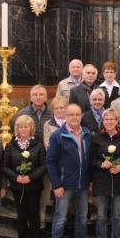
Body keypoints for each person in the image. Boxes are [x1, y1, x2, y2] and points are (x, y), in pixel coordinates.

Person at [46, 104, 94, 238]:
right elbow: (51, 162)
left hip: (82, 185)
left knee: (82, 218)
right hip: (64, 185)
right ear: (65, 116)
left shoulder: (87, 134)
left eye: (77, 114)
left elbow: (88, 160)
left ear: (81, 116)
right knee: (60, 218)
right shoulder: (58, 135)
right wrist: (56, 184)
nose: (75, 117)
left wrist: (89, 182)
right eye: (71, 114)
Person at [90, 109, 120, 238]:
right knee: (101, 216)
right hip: (101, 182)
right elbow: (91, 160)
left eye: (112, 119)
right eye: (106, 119)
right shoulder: (96, 138)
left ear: (117, 120)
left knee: (116, 216)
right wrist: (102, 164)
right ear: (102, 121)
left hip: (119, 182)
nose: (108, 122)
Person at [2, 115, 46, 238]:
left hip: (34, 186)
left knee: (33, 214)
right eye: (21, 126)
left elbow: (44, 166)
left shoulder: (38, 145)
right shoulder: (10, 145)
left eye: (26, 126)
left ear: (31, 128)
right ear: (17, 128)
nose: (23, 129)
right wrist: (16, 177)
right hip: (17, 186)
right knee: (21, 215)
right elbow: (4, 166)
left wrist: (30, 177)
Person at [42, 96, 69, 228]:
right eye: (57, 108)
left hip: (70, 166)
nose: (59, 110)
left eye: (62, 107)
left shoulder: (71, 122)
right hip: (55, 165)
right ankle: (57, 227)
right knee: (57, 197)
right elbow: (47, 144)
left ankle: (68, 226)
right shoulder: (48, 124)